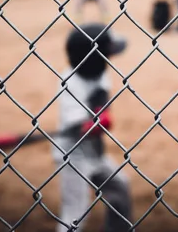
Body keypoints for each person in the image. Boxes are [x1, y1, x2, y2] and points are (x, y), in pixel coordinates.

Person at [52, 23, 132, 232]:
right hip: (72, 155)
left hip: (95, 152)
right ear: (94, 57)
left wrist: (101, 107)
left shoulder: (100, 71)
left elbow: (102, 97)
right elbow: (79, 128)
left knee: (119, 187)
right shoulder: (69, 84)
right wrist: (97, 124)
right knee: (75, 213)